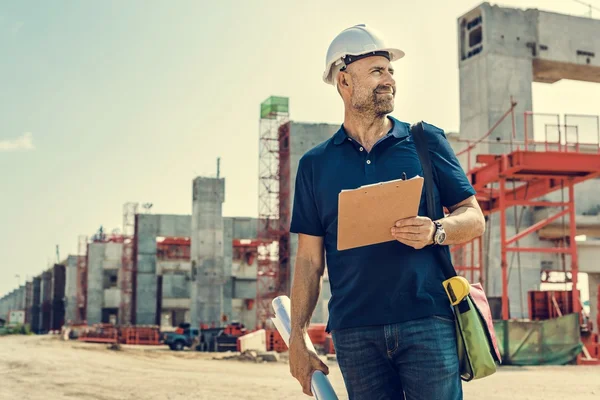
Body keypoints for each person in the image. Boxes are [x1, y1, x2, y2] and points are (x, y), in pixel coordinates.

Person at [287, 24, 486, 400]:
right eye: (377, 71)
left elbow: (474, 218)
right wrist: (298, 335)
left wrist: (435, 230)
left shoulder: (426, 142)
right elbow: (309, 261)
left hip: (427, 320)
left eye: (391, 71)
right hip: (355, 332)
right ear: (344, 81)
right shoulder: (315, 165)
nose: (389, 79)